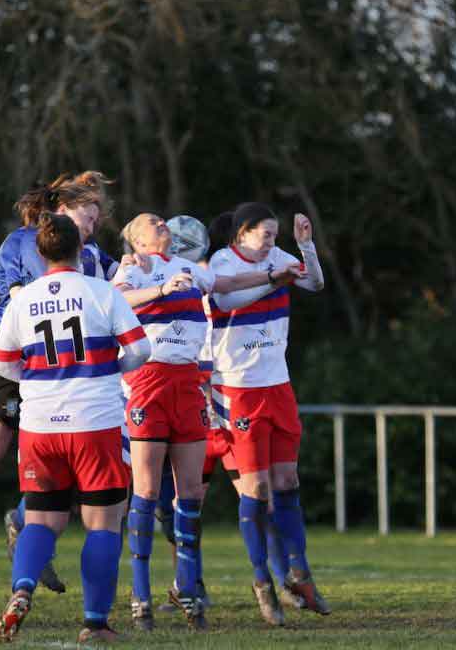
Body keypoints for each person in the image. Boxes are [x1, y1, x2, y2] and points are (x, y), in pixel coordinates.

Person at [0, 171, 113, 594]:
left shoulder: (93, 255)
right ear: (62, 210)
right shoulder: (20, 242)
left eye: (95, 220)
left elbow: (119, 287)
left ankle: (26, 530)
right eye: (88, 217)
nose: (93, 226)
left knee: (66, 451)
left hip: (61, 360)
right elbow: (18, 299)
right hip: (11, 351)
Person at [115, 211, 283, 631]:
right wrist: (159, 288)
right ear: (136, 239)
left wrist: (274, 276)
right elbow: (117, 301)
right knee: (148, 489)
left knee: (189, 493)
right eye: (151, 221)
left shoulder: (189, 267)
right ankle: (140, 596)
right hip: (148, 382)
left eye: (161, 219)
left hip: (188, 383)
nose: (160, 223)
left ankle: (188, 589)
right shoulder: (133, 269)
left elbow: (225, 286)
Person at [0, 213, 150, 644]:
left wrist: (38, 382)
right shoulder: (101, 292)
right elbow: (141, 349)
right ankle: (95, 624)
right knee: (102, 524)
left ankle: (22, 589)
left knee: (41, 520)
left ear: (39, 254)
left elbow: (2, 361)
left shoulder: (24, 300)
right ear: (81, 249)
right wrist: (110, 369)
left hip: (40, 426)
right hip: (93, 422)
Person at [208, 202, 328, 624]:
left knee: (288, 481)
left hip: (278, 384)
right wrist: (275, 278)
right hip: (237, 390)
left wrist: (306, 248)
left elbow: (313, 283)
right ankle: (263, 583)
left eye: (276, 236)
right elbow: (226, 296)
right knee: (255, 492)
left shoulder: (278, 259)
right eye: (266, 235)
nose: (271, 242)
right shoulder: (221, 261)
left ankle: (299, 573)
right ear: (241, 234)